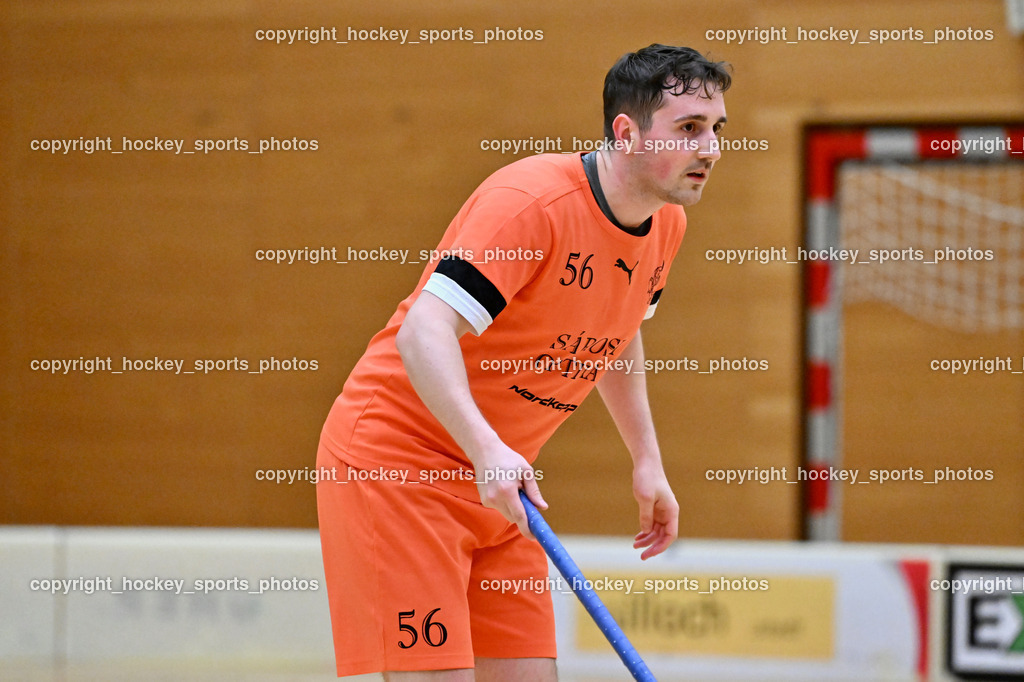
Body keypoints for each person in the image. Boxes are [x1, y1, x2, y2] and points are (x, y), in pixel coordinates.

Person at [316, 43, 731, 681]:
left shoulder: (665, 225)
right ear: (626, 133)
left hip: (504, 485)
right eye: (688, 128)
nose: (710, 149)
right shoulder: (531, 203)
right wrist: (486, 450)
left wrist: (646, 460)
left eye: (716, 130)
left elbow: (618, 335)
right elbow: (424, 332)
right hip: (400, 466)